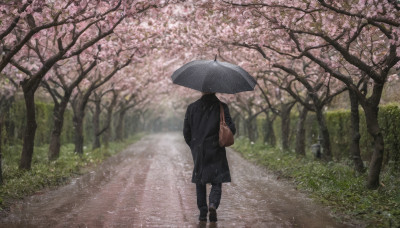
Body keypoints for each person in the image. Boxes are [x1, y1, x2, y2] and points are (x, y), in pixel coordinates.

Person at [183, 92, 236, 223]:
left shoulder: (192, 108)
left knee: (200, 181)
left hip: (199, 149)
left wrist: (194, 145)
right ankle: (213, 204)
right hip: (216, 148)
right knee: (217, 180)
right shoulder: (221, 107)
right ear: (215, 90)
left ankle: (202, 212)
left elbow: (186, 131)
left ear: (202, 91)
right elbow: (231, 129)